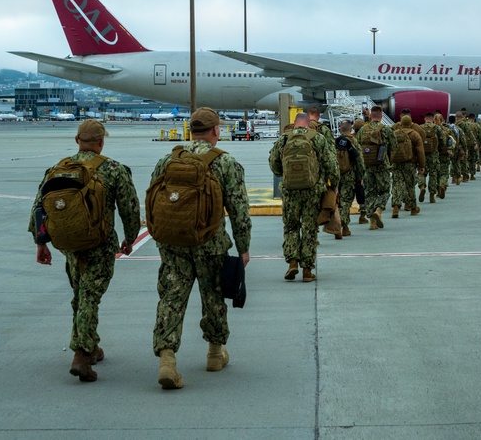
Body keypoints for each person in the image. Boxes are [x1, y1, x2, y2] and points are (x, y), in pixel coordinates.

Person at [30, 119, 140, 383]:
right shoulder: (113, 169)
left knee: (81, 294)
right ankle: (81, 353)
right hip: (99, 245)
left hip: (68, 245)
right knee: (90, 296)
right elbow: (130, 208)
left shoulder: (57, 170)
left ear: (77, 140)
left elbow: (38, 208)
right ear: (101, 143)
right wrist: (129, 238)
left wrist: (41, 243)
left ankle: (91, 346)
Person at [152, 107, 251, 390]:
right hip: (211, 243)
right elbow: (239, 210)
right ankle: (214, 353)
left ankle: (167, 360)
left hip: (174, 244)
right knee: (213, 298)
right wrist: (243, 247)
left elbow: (155, 201)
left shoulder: (167, 161)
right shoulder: (225, 163)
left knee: (172, 299)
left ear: (190, 130)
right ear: (216, 131)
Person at [268, 112, 338, 281]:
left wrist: (284, 174)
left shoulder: (284, 138)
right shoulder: (318, 138)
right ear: (308, 124)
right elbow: (331, 164)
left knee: (291, 226)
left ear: (294, 123)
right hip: (312, 190)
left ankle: (292, 263)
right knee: (309, 228)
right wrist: (333, 185)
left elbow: (274, 164)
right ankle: (307, 270)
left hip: (290, 190)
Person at [356, 105, 396, 229]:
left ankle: (372, 222)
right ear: (381, 116)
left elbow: (357, 147)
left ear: (371, 115)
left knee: (370, 193)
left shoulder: (363, 129)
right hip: (382, 165)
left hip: (367, 166)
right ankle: (378, 210)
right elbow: (394, 147)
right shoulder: (386, 129)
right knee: (384, 191)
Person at [390, 108, 426, 217]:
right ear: (410, 122)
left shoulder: (394, 133)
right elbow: (420, 151)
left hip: (396, 163)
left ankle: (395, 207)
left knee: (396, 185)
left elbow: (389, 148)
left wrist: (390, 162)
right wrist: (422, 165)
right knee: (410, 185)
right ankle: (413, 208)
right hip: (410, 163)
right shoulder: (415, 134)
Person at [334, 119, 365, 236]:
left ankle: (343, 227)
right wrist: (361, 175)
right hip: (350, 175)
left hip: (337, 176)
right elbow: (359, 160)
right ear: (351, 129)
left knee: (338, 201)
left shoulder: (335, 142)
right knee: (346, 202)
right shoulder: (354, 142)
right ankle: (342, 226)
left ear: (339, 129)